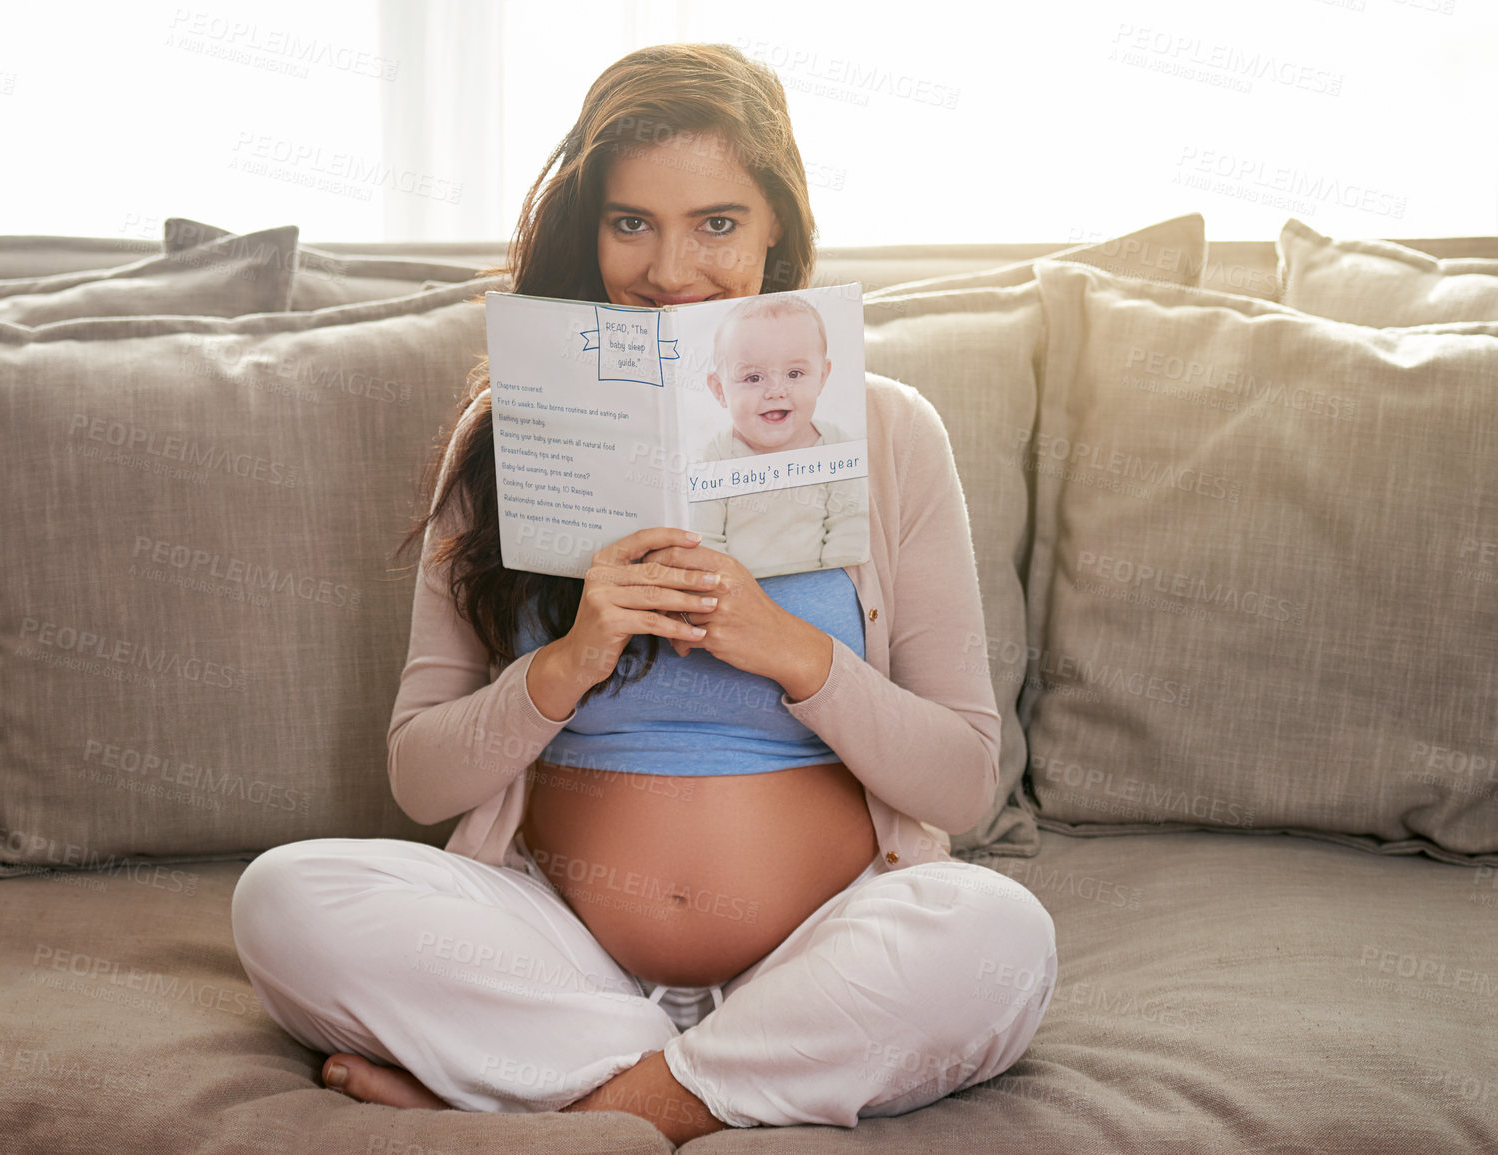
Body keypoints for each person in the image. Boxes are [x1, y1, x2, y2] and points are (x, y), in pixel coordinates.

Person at [229, 41, 1056, 1145]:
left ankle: (591, 1105)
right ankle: (714, 1089)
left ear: (777, 230)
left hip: (823, 944)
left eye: (717, 222)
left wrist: (791, 651)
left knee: (996, 932)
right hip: (559, 953)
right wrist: (566, 662)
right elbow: (420, 776)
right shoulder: (501, 435)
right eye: (632, 223)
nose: (671, 269)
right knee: (283, 899)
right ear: (591, 229)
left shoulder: (892, 430)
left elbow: (960, 785)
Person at [689, 292, 870, 576]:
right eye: (754, 378)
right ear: (720, 390)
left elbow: (850, 525)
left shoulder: (835, 445)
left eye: (794, 374)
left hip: (822, 583)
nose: (776, 391)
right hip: (738, 593)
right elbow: (704, 537)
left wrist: (832, 581)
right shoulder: (717, 455)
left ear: (822, 377)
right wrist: (731, 591)